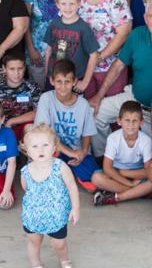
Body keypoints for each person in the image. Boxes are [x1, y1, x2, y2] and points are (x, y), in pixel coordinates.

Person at [90, 0, 152, 149]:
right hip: (134, 99)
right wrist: (99, 95)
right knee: (95, 113)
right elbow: (118, 66)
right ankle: (103, 157)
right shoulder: (137, 35)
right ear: (145, 18)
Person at [36, 60, 112, 192]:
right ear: (52, 81)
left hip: (76, 150)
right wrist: (69, 152)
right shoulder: (46, 98)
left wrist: (83, 152)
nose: (63, 87)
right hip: (54, 150)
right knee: (45, 179)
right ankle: (64, 174)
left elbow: (87, 133)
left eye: (67, 82)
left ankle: (75, 174)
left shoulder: (83, 104)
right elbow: (45, 133)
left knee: (94, 185)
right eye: (59, 81)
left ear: (75, 81)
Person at [19, 122, 81, 268]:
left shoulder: (60, 167)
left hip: (56, 214)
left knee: (59, 243)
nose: (40, 150)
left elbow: (72, 186)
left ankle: (64, 260)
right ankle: (36, 265)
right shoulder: (25, 171)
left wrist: (75, 208)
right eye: (34, 146)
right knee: (34, 241)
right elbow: (26, 188)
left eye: (45, 145)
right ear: (27, 150)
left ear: (54, 147)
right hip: (33, 215)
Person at [80, 0, 133, 97]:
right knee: (85, 105)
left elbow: (123, 34)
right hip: (83, 66)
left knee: (111, 106)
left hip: (111, 65)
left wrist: (100, 57)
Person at [94, 100, 152, 206]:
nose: (131, 125)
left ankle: (120, 193)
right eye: (127, 120)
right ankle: (139, 192)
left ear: (141, 122)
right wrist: (130, 183)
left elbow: (148, 171)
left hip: (137, 175)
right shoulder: (113, 138)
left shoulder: (146, 140)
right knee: (96, 178)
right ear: (119, 121)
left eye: (135, 121)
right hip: (116, 173)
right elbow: (107, 168)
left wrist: (125, 173)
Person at [21, 0, 67, 89]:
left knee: (61, 90)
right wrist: (30, 48)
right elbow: (25, 23)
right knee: (38, 91)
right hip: (37, 51)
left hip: (64, 50)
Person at [44, 0, 101, 84]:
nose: (68, 8)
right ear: (57, 4)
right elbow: (48, 50)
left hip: (75, 79)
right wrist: (47, 74)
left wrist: (85, 82)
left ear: (79, 3)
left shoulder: (83, 28)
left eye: (72, 4)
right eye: (63, 3)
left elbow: (93, 55)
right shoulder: (54, 24)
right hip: (55, 76)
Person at [0, 51, 40, 142]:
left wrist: (12, 121)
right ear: (4, 69)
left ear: (24, 68)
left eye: (20, 68)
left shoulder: (33, 88)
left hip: (25, 127)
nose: (16, 73)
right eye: (12, 69)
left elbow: (38, 112)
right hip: (4, 129)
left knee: (30, 128)